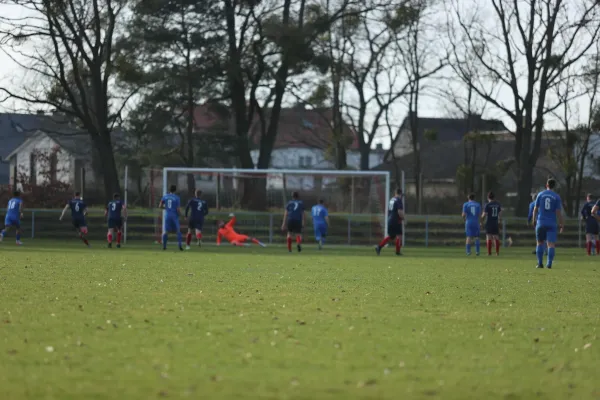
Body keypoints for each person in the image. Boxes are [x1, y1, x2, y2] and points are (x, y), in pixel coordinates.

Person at [532, 178, 564, 269]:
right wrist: (561, 223)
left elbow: (535, 209)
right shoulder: (556, 197)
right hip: (552, 223)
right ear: (554, 186)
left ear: (547, 185)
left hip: (541, 222)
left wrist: (533, 220)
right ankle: (549, 264)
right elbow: (558, 212)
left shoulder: (540, 194)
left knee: (540, 242)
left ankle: (540, 263)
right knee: (551, 244)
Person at [375, 188, 404, 256]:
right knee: (399, 236)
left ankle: (379, 247)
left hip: (390, 220)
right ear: (399, 194)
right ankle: (397, 251)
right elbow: (399, 211)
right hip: (396, 220)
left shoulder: (391, 200)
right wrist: (403, 218)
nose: (401, 197)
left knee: (391, 236)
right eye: (401, 195)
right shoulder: (398, 200)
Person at [158, 185, 183, 251]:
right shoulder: (177, 198)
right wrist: (181, 215)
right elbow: (178, 209)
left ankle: (164, 246)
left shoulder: (165, 196)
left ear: (169, 190)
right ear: (175, 190)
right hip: (174, 216)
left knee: (166, 231)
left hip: (167, 215)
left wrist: (166, 208)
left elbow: (160, 206)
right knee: (178, 231)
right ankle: (180, 245)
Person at [482, 191, 501, 256]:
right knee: (496, 237)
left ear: (488, 197)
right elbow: (500, 214)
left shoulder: (487, 205)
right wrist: (499, 221)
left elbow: (484, 215)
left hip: (489, 222)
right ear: (494, 197)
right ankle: (497, 252)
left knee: (488, 237)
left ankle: (489, 253)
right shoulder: (498, 204)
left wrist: (481, 221)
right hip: (495, 222)